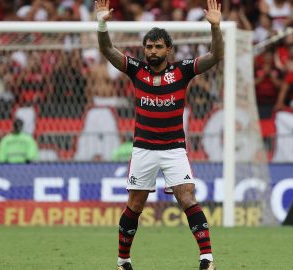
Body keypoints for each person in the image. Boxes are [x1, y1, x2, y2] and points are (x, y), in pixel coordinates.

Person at [95, 0, 223, 269]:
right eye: (149, 46)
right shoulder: (135, 69)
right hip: (143, 148)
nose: (152, 51)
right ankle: (123, 261)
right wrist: (102, 23)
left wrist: (215, 27)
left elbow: (215, 56)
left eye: (158, 46)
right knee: (135, 205)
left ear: (168, 49)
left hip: (174, 149)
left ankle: (207, 259)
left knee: (187, 197)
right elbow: (107, 49)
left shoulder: (182, 71)